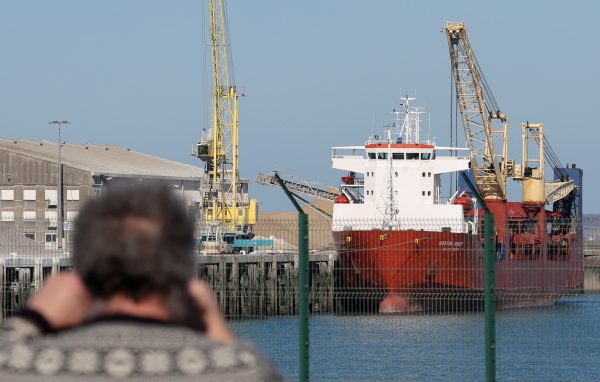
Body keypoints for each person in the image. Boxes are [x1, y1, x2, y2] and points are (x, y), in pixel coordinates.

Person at [0, 183, 283, 381]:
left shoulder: (25, 366)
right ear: (184, 269)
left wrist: (34, 317)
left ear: (82, 270)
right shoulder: (242, 370)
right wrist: (214, 324)